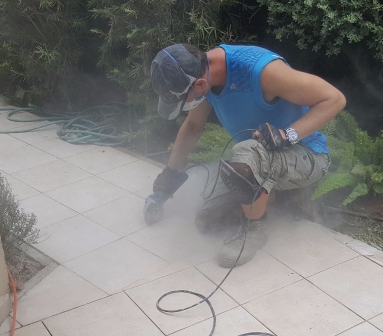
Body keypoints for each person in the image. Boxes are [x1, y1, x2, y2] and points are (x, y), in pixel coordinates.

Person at [147, 43, 346, 267]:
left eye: (184, 100)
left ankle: (254, 230)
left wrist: (287, 134)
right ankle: (271, 194)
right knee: (207, 220)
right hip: (258, 158)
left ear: (199, 84)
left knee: (244, 152)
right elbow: (193, 125)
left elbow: (334, 99)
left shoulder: (262, 71)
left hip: (307, 154)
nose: (187, 105)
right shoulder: (203, 77)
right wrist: (171, 173)